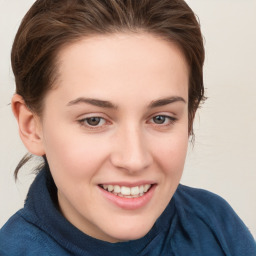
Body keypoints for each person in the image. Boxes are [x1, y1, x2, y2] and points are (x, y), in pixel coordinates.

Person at [0, 0, 255, 255]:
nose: (134, 160)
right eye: (94, 120)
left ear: (189, 118)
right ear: (31, 126)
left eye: (160, 118)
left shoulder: (216, 226)